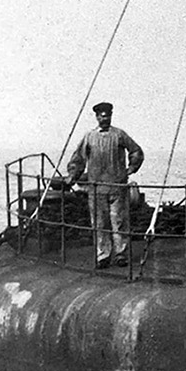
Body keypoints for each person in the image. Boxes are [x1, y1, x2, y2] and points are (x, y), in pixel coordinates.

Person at [67, 101, 144, 268]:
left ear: (111, 116)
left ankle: (121, 254)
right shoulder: (89, 137)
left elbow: (136, 151)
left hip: (117, 187)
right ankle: (103, 255)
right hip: (96, 188)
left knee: (120, 221)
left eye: (108, 115)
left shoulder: (119, 135)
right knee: (100, 223)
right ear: (96, 117)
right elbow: (78, 159)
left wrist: (132, 167)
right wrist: (73, 175)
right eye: (102, 116)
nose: (105, 118)